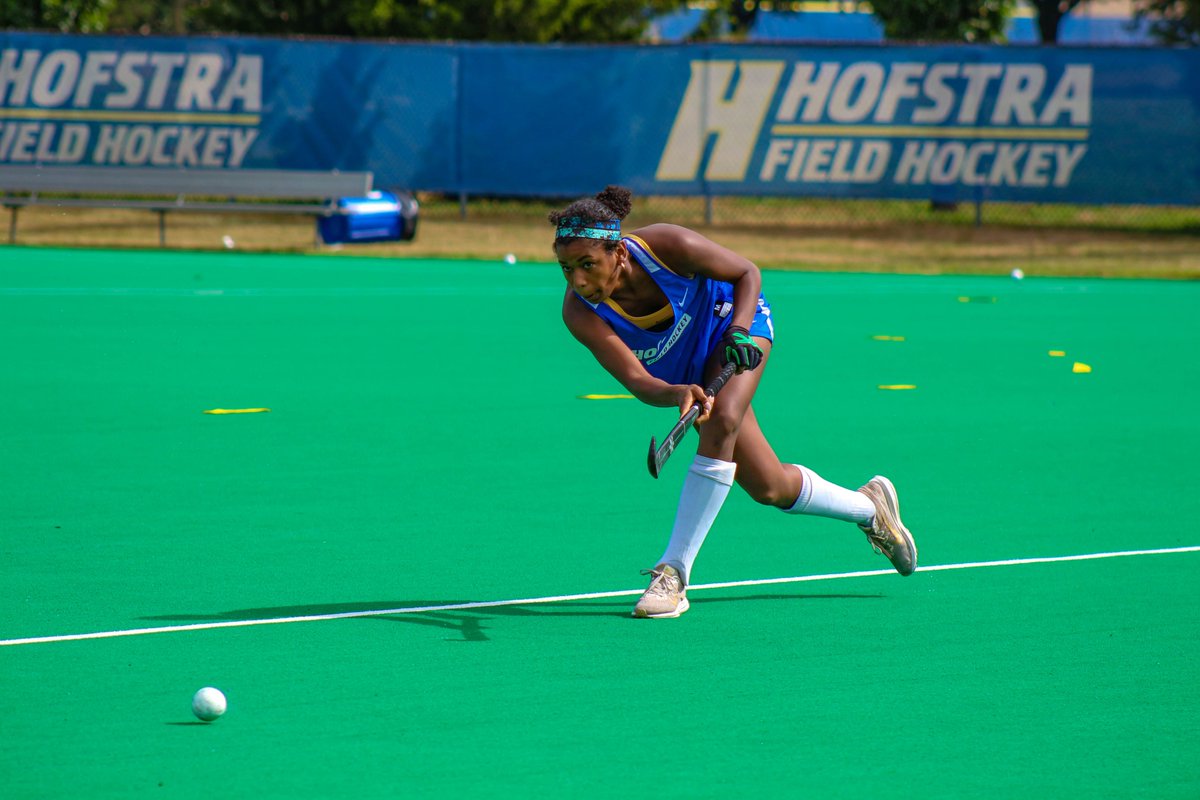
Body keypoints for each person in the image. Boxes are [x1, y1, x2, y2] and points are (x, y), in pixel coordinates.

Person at [550, 186, 917, 619]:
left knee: (722, 418)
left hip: (734, 325)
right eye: (567, 268)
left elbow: (747, 272)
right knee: (769, 487)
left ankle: (673, 573)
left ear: (619, 253)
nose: (578, 280)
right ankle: (869, 508)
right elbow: (636, 378)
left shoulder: (666, 246)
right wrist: (676, 393)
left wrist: (740, 331)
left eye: (587, 264)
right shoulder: (580, 313)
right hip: (687, 371)